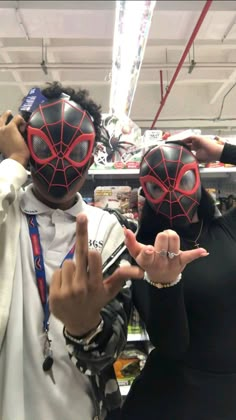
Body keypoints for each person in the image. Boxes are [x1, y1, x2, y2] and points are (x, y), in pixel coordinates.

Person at [0, 81, 149, 420]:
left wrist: (87, 328)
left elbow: (109, 350)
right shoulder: (8, 213)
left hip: (81, 407)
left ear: (91, 152)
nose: (62, 161)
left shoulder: (107, 228)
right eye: (44, 144)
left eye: (76, 150)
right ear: (26, 142)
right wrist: (11, 164)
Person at [120, 136, 236, 420]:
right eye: (158, 188)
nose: (173, 193)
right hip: (176, 401)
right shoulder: (147, 252)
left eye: (183, 180)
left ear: (198, 179)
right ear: (146, 193)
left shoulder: (226, 229)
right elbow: (172, 346)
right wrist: (164, 284)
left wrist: (222, 151)